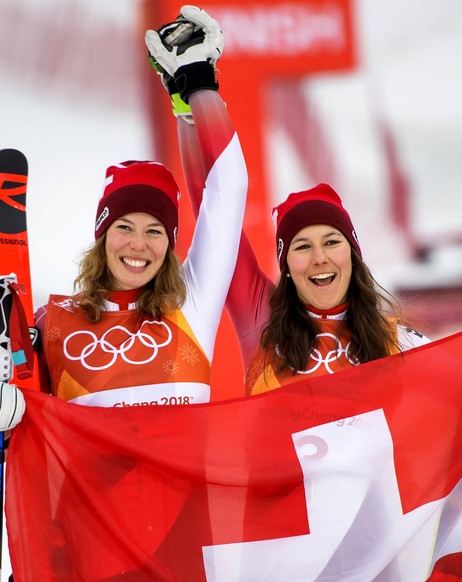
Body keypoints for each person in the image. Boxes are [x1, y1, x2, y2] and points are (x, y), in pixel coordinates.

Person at [0, 5, 247, 449]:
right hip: (87, 520)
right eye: (124, 226)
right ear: (102, 236)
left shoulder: (190, 309)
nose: (138, 244)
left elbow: (228, 189)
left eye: (155, 230)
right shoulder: (54, 325)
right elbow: (13, 445)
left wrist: (196, 86)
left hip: (184, 520)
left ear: (171, 243)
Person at [170, 14, 429, 395]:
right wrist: (192, 89)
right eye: (302, 247)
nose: (319, 257)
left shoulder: (399, 340)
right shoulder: (262, 321)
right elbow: (214, 206)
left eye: (331, 241)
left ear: (353, 253)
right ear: (286, 263)